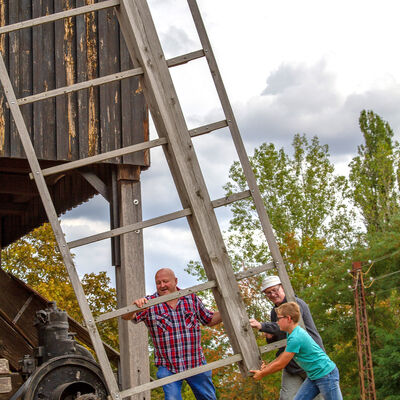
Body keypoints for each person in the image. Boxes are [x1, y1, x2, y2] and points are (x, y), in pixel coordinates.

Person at [122, 268, 221, 400]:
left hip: (195, 362)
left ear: (175, 281)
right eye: (158, 283)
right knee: (172, 398)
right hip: (168, 366)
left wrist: (228, 310)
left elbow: (209, 319)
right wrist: (134, 306)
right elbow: (127, 316)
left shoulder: (190, 298)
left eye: (165, 281)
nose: (162, 285)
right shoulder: (149, 303)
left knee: (208, 398)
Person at [249, 275, 324, 400]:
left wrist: (262, 325)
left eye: (275, 290)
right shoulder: (275, 312)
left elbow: (285, 326)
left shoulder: (296, 304)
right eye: (268, 293)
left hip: (310, 362)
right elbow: (280, 337)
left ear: (282, 287)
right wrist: (270, 336)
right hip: (292, 365)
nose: (272, 294)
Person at [250, 302, 343, 400]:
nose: (277, 322)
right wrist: (266, 367)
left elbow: (281, 364)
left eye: (279, 319)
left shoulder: (296, 337)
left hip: (326, 375)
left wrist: (262, 374)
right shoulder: (291, 333)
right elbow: (283, 356)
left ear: (288, 319)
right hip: (313, 376)